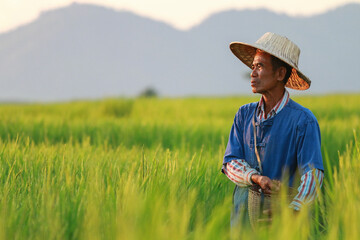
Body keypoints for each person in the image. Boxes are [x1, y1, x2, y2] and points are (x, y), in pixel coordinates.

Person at [222, 32, 324, 226]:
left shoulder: (303, 121)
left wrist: (291, 212)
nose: (252, 73)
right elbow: (230, 163)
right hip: (243, 221)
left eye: (259, 66)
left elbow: (313, 176)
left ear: (280, 74)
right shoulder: (244, 115)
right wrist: (256, 177)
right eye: (253, 66)